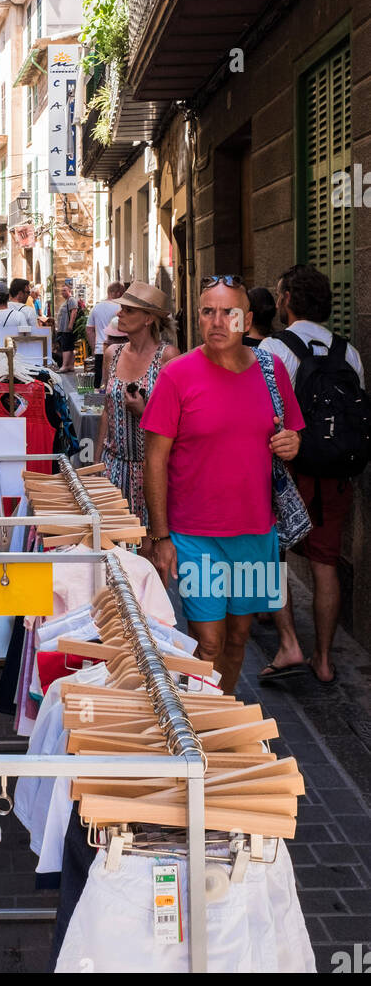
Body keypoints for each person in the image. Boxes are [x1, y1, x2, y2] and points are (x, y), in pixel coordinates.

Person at [142, 274, 303, 694]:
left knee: (238, 639)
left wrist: (292, 443)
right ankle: (197, 732)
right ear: (197, 318)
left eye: (228, 312)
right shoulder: (177, 375)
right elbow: (154, 460)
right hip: (196, 535)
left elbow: (293, 438)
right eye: (207, 311)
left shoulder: (272, 371)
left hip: (256, 532)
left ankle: (219, 716)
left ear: (246, 319)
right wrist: (160, 536)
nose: (217, 321)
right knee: (209, 641)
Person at [257, 265, 366, 685]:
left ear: (285, 300)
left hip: (287, 471)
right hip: (334, 474)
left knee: (272, 557)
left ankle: (290, 645)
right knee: (325, 563)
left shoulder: (274, 348)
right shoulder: (348, 352)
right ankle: (323, 660)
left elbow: (262, 413)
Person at [94, 282, 180, 552]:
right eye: (121, 309)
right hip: (114, 467)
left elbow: (177, 422)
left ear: (148, 319)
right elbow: (107, 410)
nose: (119, 314)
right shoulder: (112, 353)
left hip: (150, 470)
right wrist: (97, 463)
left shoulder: (168, 357)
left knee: (147, 552)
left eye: (128, 310)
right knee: (112, 552)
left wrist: (144, 413)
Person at [86, 282, 125, 386]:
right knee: (116, 381)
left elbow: (89, 330)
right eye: (122, 293)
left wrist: (94, 348)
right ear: (117, 293)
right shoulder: (121, 307)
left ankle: (97, 401)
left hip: (100, 350)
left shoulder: (96, 307)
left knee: (99, 381)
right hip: (118, 349)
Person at [55, 282, 78, 372]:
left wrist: (70, 324)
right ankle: (70, 366)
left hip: (67, 329)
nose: (62, 292)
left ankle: (64, 366)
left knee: (66, 347)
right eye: (62, 291)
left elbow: (74, 312)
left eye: (64, 290)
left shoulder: (71, 300)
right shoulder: (66, 301)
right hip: (64, 329)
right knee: (70, 347)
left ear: (69, 291)